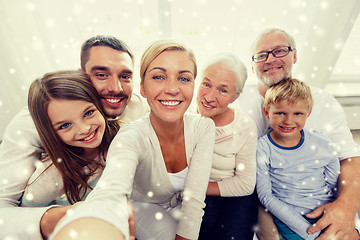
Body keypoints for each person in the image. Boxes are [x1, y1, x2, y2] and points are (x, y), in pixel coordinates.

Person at [50, 40, 215, 240]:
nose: (172, 89)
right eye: (159, 76)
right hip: (145, 207)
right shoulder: (130, 136)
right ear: (143, 87)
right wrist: (95, 222)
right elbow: (111, 191)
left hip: (180, 204)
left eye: (184, 78)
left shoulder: (204, 127)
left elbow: (195, 198)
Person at [0, 35, 147, 240]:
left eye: (125, 76)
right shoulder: (29, 125)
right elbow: (3, 209)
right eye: (102, 74)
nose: (116, 87)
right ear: (82, 77)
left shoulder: (136, 108)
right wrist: (50, 219)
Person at [233, 28, 360, 240]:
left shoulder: (323, 102)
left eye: (280, 51)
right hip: (270, 199)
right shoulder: (238, 102)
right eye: (262, 55)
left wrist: (345, 206)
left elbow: (349, 158)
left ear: (295, 55)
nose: (271, 59)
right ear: (253, 66)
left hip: (316, 198)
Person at [257, 78, 340, 240]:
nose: (288, 121)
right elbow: (265, 195)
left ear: (308, 114)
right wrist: (309, 232)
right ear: (267, 112)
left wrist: (335, 216)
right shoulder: (263, 147)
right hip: (291, 220)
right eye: (280, 113)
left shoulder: (323, 144)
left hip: (327, 214)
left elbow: (334, 184)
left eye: (298, 114)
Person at [195, 54, 258, 240]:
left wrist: (197, 187)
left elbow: (245, 184)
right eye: (206, 84)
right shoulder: (182, 114)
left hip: (233, 194)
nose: (209, 97)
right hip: (196, 193)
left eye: (223, 90)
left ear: (235, 96)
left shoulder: (245, 127)